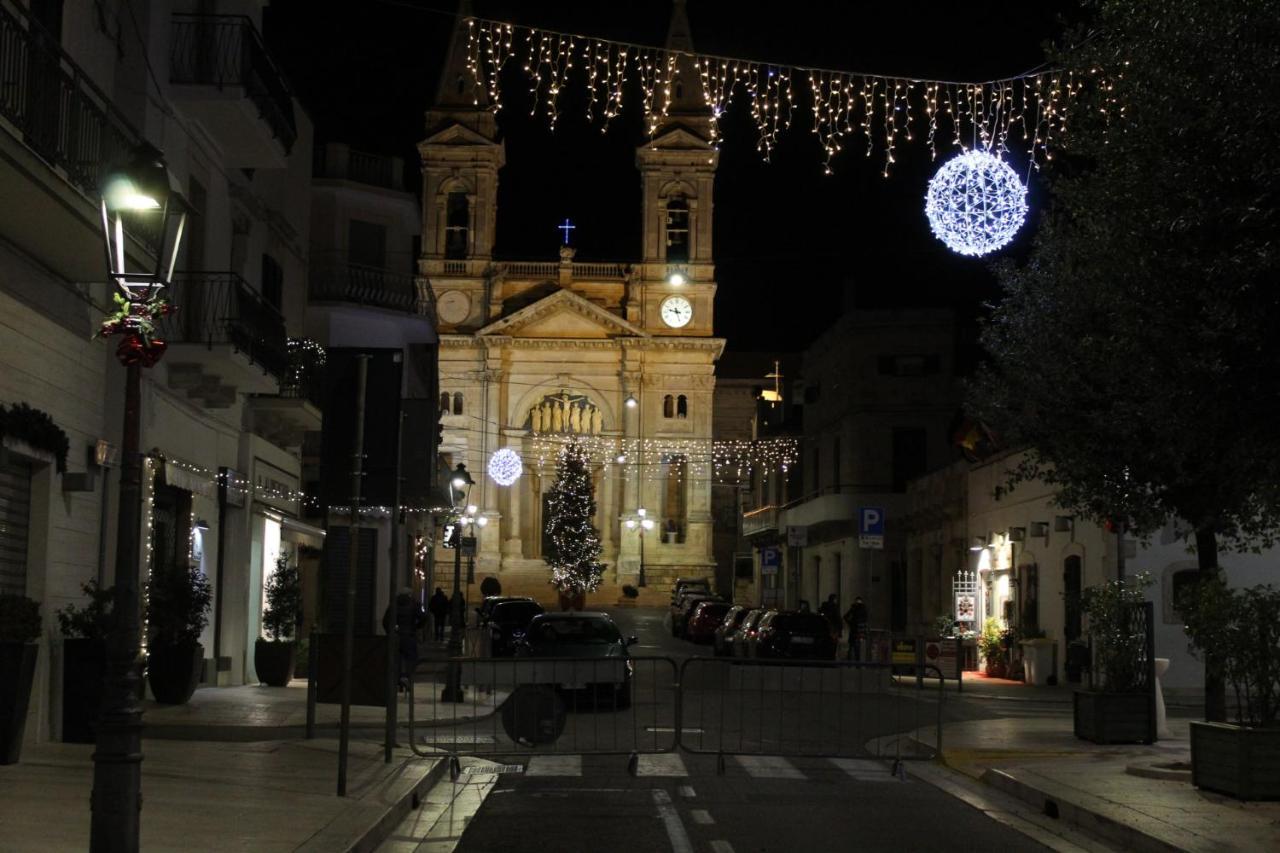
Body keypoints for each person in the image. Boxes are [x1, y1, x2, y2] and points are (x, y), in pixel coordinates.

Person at [383, 588, 427, 691]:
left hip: (396, 636)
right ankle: (406, 676)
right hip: (409, 635)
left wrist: (390, 632)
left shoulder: (393, 604)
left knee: (396, 658)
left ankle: (398, 679)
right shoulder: (414, 604)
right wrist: (417, 626)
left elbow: (385, 621)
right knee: (412, 657)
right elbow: (424, 617)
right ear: (410, 595)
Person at [843, 596, 868, 661]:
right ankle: (857, 663)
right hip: (860, 630)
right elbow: (865, 620)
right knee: (857, 647)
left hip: (854, 629)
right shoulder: (863, 609)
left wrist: (850, 623)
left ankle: (850, 662)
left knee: (852, 646)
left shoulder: (854, 608)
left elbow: (845, 616)